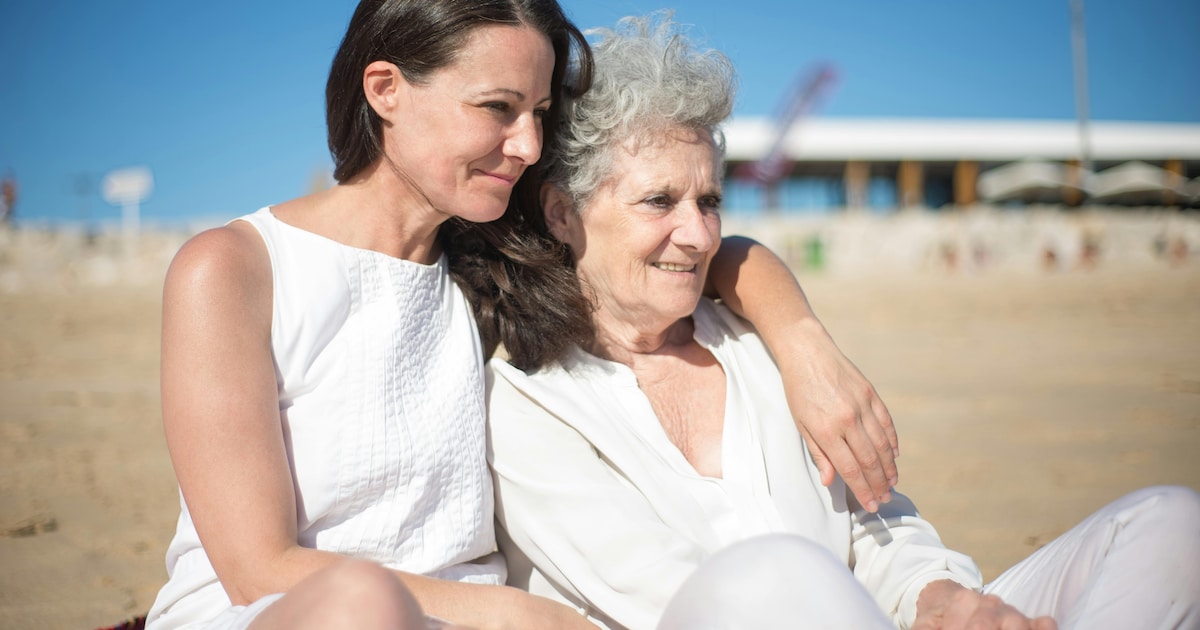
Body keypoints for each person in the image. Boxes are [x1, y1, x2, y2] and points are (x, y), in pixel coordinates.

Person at [148, 1, 901, 629]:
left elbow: (707, 252)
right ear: (385, 89)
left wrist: (802, 342)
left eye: (538, 112)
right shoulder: (237, 270)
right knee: (360, 610)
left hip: (470, 622)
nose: (528, 144)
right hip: (296, 616)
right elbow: (258, 569)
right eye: (497, 108)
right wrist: (519, 615)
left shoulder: (490, 267)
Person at [483, 14, 1200, 630]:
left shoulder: (758, 345)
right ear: (562, 212)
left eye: (710, 201)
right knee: (773, 571)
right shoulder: (526, 398)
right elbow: (672, 599)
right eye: (659, 201)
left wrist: (937, 597)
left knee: (1170, 526)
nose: (698, 235)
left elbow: (874, 523)